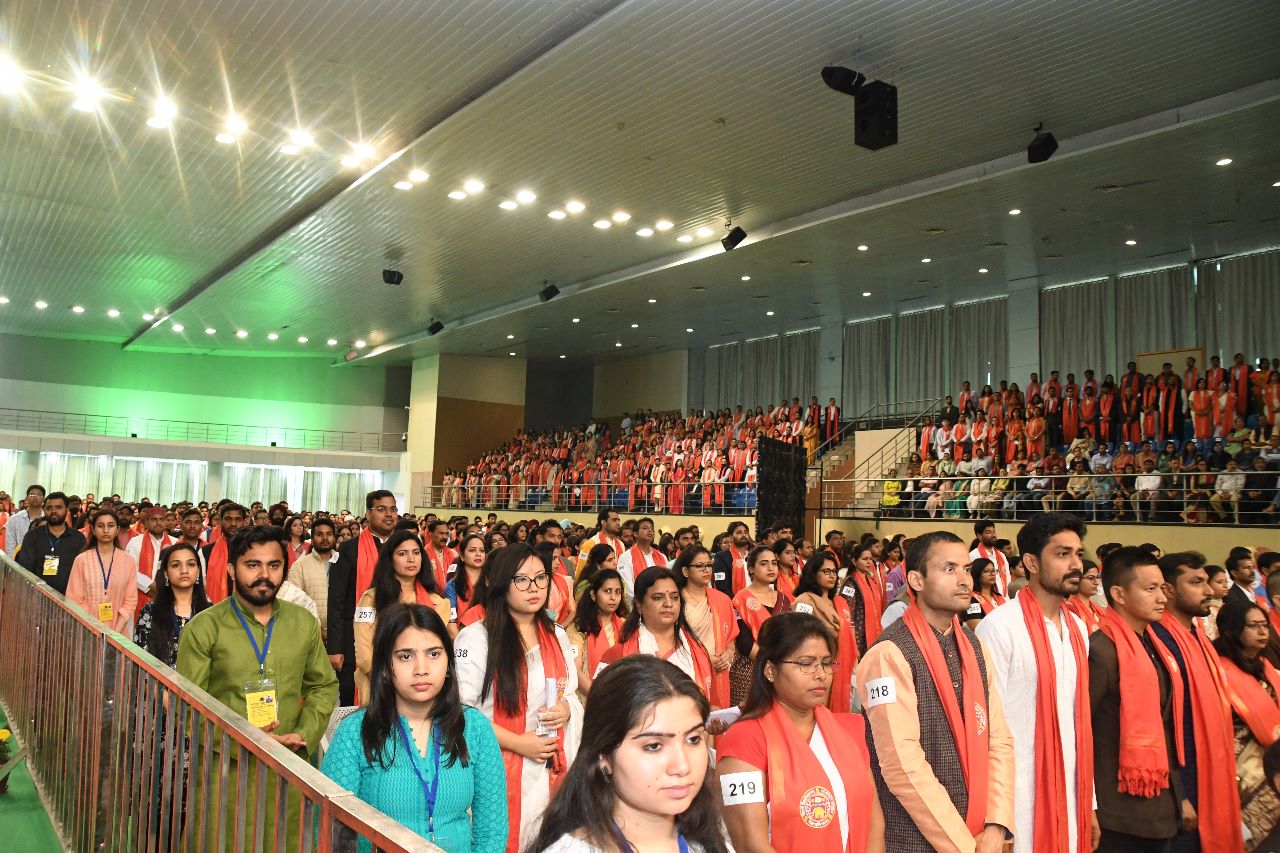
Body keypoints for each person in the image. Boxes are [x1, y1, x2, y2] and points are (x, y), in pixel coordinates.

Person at [177, 525, 339, 851]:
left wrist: (303, 735)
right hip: (226, 772)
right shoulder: (204, 628)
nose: (264, 575)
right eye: (253, 565)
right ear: (231, 569)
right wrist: (247, 740)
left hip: (290, 766)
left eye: (273, 565)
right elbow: (188, 707)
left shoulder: (302, 622)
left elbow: (323, 685)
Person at [855, 531, 1015, 853]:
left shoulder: (974, 646)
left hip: (981, 831)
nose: (964, 580)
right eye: (949, 569)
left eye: (966, 569)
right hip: (914, 839)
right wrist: (964, 844)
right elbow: (901, 766)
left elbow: (998, 740)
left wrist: (997, 825)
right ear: (916, 580)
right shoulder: (889, 653)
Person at [322, 604, 507, 853]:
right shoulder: (355, 732)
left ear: (448, 662)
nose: (422, 669)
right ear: (386, 666)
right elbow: (333, 832)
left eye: (434, 654)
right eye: (405, 656)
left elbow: (491, 831)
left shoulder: (474, 728)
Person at [976, 512, 1097, 853]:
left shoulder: (1077, 630)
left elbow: (1079, 725)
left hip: (1072, 797)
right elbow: (986, 730)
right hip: (1019, 804)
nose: (1076, 564)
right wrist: (996, 821)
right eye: (1062, 554)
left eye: (1078, 554)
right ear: (1031, 562)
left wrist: (1090, 804)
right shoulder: (1000, 628)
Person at [454, 542, 583, 851]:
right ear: (501, 582)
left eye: (540, 578)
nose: (534, 587)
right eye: (522, 579)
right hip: (497, 767)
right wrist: (518, 742)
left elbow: (571, 692)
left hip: (551, 765)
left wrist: (567, 708)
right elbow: (462, 713)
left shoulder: (556, 634)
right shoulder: (475, 638)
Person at [718, 612, 884, 852]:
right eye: (806, 664)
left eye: (826, 663)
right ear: (770, 670)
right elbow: (750, 844)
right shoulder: (743, 741)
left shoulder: (849, 730)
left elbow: (874, 822)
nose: (821, 674)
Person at [530, 655, 730, 853]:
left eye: (693, 739)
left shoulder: (711, 845)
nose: (682, 766)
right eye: (654, 746)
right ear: (603, 756)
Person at [1089, 546, 1186, 852]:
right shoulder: (1101, 650)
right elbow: (1080, 729)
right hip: (1119, 812)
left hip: (1160, 803)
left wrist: (1179, 797)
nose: (1162, 598)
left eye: (1162, 588)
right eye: (1150, 589)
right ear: (1119, 594)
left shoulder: (1154, 643)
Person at [1149, 552, 1245, 853]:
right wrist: (1177, 794)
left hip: (1208, 770)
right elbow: (1156, 724)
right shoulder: (1158, 641)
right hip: (1182, 780)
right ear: (1168, 590)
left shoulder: (1197, 637)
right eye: (1196, 583)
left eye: (1206, 582)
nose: (1208, 591)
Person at [354, 530, 452, 703]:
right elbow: (363, 651)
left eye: (416, 553)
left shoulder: (438, 603)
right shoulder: (370, 599)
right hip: (379, 685)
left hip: (423, 686)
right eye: (402, 554)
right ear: (390, 559)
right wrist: (387, 684)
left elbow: (438, 651)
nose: (411, 559)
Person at [1213, 598, 1280, 850]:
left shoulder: (1265, 666)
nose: (1262, 632)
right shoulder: (1220, 671)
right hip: (1242, 764)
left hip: (1272, 755)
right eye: (1253, 626)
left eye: (1264, 625)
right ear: (1232, 630)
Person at [600, 566, 714, 701]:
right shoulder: (618, 655)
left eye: (675, 597)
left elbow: (713, 703)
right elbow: (601, 705)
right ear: (639, 605)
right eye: (658, 598)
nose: (668, 603)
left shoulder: (698, 652)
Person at [329, 490, 399, 705]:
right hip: (354, 641)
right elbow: (337, 599)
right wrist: (335, 648)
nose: (389, 514)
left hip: (395, 635)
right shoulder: (349, 549)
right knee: (354, 700)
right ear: (368, 513)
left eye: (393, 509)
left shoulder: (403, 548)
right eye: (381, 509)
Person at [791, 552, 858, 713]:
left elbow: (850, 633)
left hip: (845, 665)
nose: (832, 575)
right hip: (819, 667)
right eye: (826, 571)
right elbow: (799, 635)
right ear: (813, 573)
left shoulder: (840, 602)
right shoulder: (805, 601)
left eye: (834, 571)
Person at [675, 545, 737, 709]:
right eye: (699, 566)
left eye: (709, 565)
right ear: (685, 571)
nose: (706, 570)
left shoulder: (722, 600)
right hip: (687, 671)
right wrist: (704, 661)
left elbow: (730, 639)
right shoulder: (675, 601)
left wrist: (728, 654)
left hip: (719, 671)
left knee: (717, 719)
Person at [728, 547, 791, 706]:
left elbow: (791, 635)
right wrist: (771, 663)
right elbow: (744, 642)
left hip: (782, 670)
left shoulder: (784, 599)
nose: (771, 568)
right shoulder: (740, 599)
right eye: (764, 564)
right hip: (750, 671)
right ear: (751, 569)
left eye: (774, 563)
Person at [134, 542, 211, 667]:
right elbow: (140, 662)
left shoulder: (211, 613)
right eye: (176, 565)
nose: (184, 570)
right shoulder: (150, 612)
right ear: (166, 573)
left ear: (198, 571)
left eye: (190, 564)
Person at [66, 507, 139, 633]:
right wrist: (93, 628)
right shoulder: (81, 560)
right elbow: (73, 599)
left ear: (117, 530)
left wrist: (114, 633)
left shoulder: (128, 561)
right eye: (100, 526)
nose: (106, 530)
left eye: (110, 526)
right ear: (93, 530)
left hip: (118, 631)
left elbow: (130, 600)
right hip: (86, 630)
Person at [565, 568, 627, 697]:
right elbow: (575, 670)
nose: (613, 597)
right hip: (589, 698)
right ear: (593, 595)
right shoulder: (579, 628)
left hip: (623, 697)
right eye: (607, 591)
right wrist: (599, 698)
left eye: (617, 592)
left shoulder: (626, 626)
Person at [14, 490, 84, 594]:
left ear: (67, 508)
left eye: (58, 507)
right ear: (44, 509)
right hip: (36, 595)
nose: (53, 511)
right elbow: (25, 569)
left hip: (68, 597)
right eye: (49, 508)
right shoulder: (32, 536)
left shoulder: (78, 538)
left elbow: (81, 572)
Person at [291, 517, 337, 647]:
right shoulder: (300, 565)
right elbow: (294, 602)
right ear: (311, 539)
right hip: (309, 634)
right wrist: (317, 629)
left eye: (329, 534)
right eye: (319, 534)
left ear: (334, 537)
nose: (325, 538)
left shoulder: (344, 562)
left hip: (341, 634)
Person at [200, 502, 248, 602]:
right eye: (228, 519)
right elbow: (201, 587)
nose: (233, 523)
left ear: (244, 522)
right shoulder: (205, 552)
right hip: (213, 608)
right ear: (220, 521)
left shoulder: (254, 551)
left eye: (238, 519)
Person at [445, 533, 487, 632]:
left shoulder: (492, 581)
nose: (478, 554)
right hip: (461, 636)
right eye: (472, 550)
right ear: (462, 556)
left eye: (482, 550)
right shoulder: (452, 586)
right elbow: (452, 627)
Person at [615, 517, 667, 595]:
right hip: (638, 600)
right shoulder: (626, 557)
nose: (650, 530)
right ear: (635, 533)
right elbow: (627, 587)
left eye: (652, 529)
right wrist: (646, 599)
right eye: (645, 528)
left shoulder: (662, 557)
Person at [970, 521, 1010, 596]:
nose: (993, 535)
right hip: (985, 598)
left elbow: (1008, 578)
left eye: (994, 532)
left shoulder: (1001, 555)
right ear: (979, 536)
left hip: (1005, 598)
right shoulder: (973, 556)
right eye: (988, 532)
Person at [5, 484, 45, 556]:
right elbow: (10, 545)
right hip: (19, 559)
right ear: (26, 498)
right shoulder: (15, 519)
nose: (35, 497)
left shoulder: (48, 519)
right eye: (32, 494)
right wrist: (13, 561)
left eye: (39, 494)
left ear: (43, 499)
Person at [1065, 561, 1105, 633]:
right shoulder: (1071, 609)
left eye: (1097, 577)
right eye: (1091, 578)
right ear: (1077, 579)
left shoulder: (1097, 608)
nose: (1096, 582)